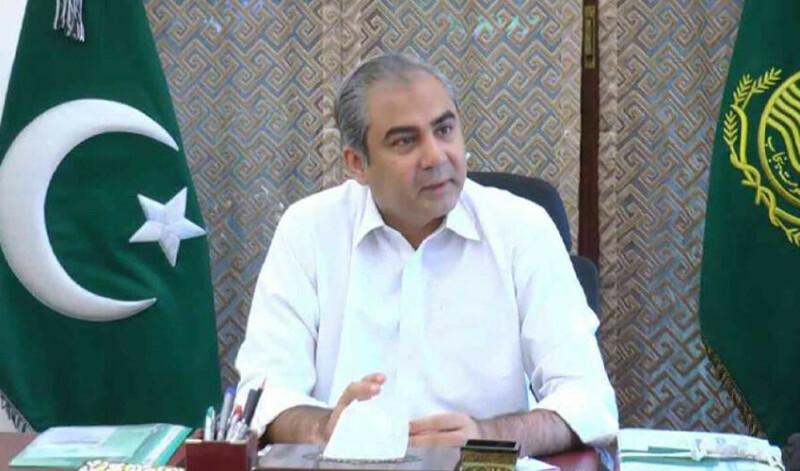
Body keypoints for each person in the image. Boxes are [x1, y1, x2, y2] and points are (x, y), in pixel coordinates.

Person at [234, 53, 618, 457]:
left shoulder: (521, 227)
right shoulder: (308, 230)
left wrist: (486, 437)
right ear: (357, 164)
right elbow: (263, 395)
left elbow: (588, 398)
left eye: (445, 130)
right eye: (405, 141)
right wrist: (325, 427)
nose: (436, 156)